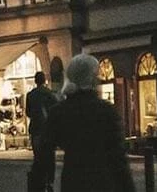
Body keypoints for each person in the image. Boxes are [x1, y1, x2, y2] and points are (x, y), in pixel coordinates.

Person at [43, 54, 135, 192]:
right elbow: (118, 158)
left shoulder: (59, 112)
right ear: (92, 79)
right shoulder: (106, 111)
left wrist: (42, 183)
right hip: (103, 182)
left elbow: (44, 154)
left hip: (73, 181)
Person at [26, 70, 58, 192]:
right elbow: (55, 110)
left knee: (38, 156)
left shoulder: (30, 95)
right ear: (44, 80)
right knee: (50, 156)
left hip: (35, 130)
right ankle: (49, 181)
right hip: (48, 130)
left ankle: (39, 180)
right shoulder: (50, 94)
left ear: (35, 81)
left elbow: (28, 112)